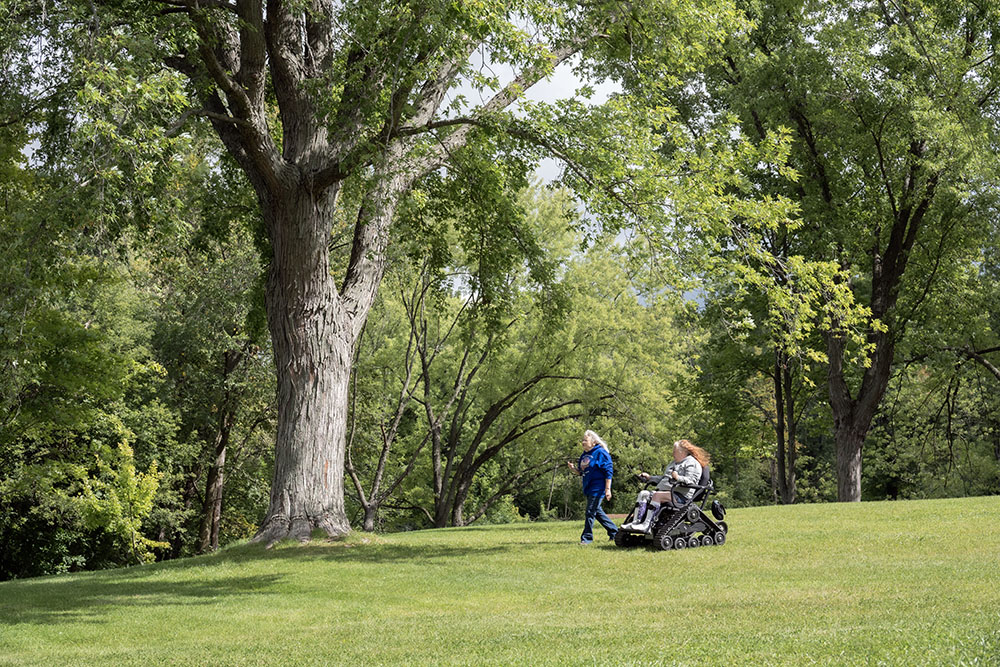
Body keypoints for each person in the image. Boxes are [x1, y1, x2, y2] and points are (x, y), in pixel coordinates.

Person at [621, 439, 710, 533]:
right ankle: (636, 523)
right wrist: (650, 478)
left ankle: (646, 525)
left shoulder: (692, 463)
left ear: (682, 452)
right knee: (644, 494)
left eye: (674, 451)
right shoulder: (673, 463)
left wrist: (678, 477)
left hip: (681, 496)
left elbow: (691, 481)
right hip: (668, 493)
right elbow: (665, 478)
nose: (673, 454)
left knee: (657, 496)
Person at [566, 429, 617, 545]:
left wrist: (608, 489)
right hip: (588, 487)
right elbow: (581, 472)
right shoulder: (585, 454)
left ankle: (586, 538)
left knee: (590, 512)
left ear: (593, 442)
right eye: (582, 440)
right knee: (597, 512)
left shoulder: (601, 453)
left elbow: (608, 472)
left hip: (598, 488)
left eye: (585, 440)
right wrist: (573, 469)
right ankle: (615, 532)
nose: (583, 442)